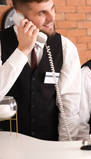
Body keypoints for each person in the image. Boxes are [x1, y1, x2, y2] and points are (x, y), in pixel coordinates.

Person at [0, 0, 81, 141]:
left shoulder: (66, 48)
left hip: (50, 148)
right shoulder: (1, 43)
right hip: (7, 147)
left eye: (52, 9)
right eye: (42, 13)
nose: (51, 18)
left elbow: (69, 109)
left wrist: (66, 149)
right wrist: (22, 50)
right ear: (19, 17)